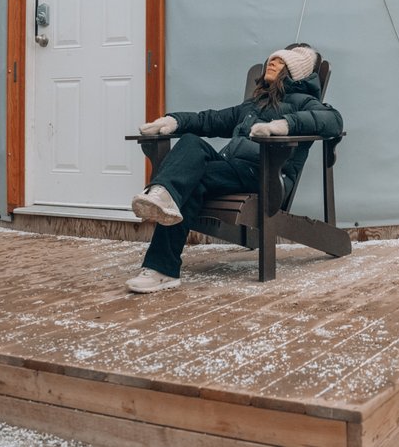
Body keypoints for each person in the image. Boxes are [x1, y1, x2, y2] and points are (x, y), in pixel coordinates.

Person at [125, 43, 343, 293]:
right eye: (271, 59)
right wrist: (174, 121)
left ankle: (161, 261)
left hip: (264, 174)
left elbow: (333, 121)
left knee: (190, 180)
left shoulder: (303, 102)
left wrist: (284, 125)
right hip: (232, 169)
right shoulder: (254, 105)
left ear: (294, 72)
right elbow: (211, 119)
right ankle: (163, 215)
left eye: (281, 62)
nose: (271, 62)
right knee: (190, 144)